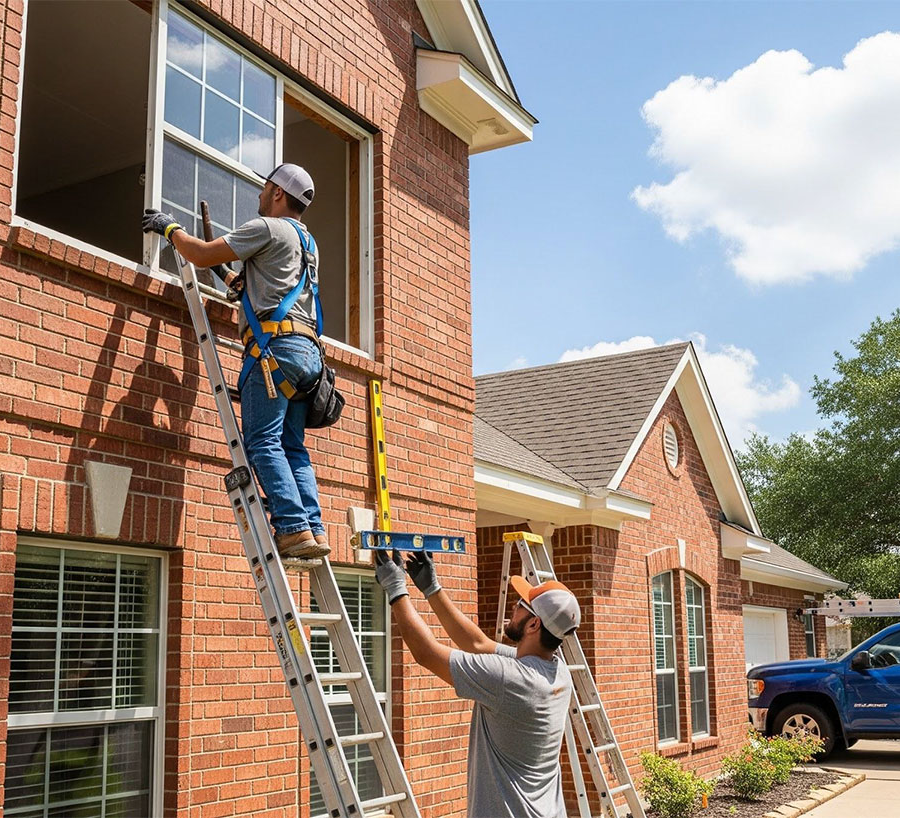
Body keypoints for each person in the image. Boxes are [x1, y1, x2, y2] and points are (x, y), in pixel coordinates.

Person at [141, 163, 329, 559]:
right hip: (307, 353)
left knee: (262, 441)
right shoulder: (308, 244)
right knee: (292, 447)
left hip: (274, 351)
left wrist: (170, 229)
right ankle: (312, 528)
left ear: (278, 193)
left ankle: (293, 529)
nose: (260, 195)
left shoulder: (267, 228)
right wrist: (235, 282)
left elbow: (201, 254)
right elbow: (272, 287)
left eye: (264, 188)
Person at [375, 549, 578, 818]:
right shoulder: (556, 671)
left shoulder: (509, 678)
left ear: (533, 625)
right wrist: (432, 589)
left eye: (520, 606)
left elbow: (426, 653)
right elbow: (478, 644)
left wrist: (395, 588)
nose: (514, 607)